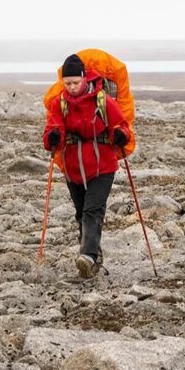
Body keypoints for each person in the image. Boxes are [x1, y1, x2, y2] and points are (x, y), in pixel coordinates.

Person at [42, 54, 132, 279]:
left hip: (103, 166)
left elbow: (121, 125)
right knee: (81, 213)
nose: (71, 87)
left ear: (84, 79)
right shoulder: (59, 103)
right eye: (67, 83)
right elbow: (53, 128)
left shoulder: (103, 100)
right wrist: (52, 137)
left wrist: (120, 135)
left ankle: (88, 255)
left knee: (93, 210)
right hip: (73, 169)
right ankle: (93, 257)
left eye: (75, 82)